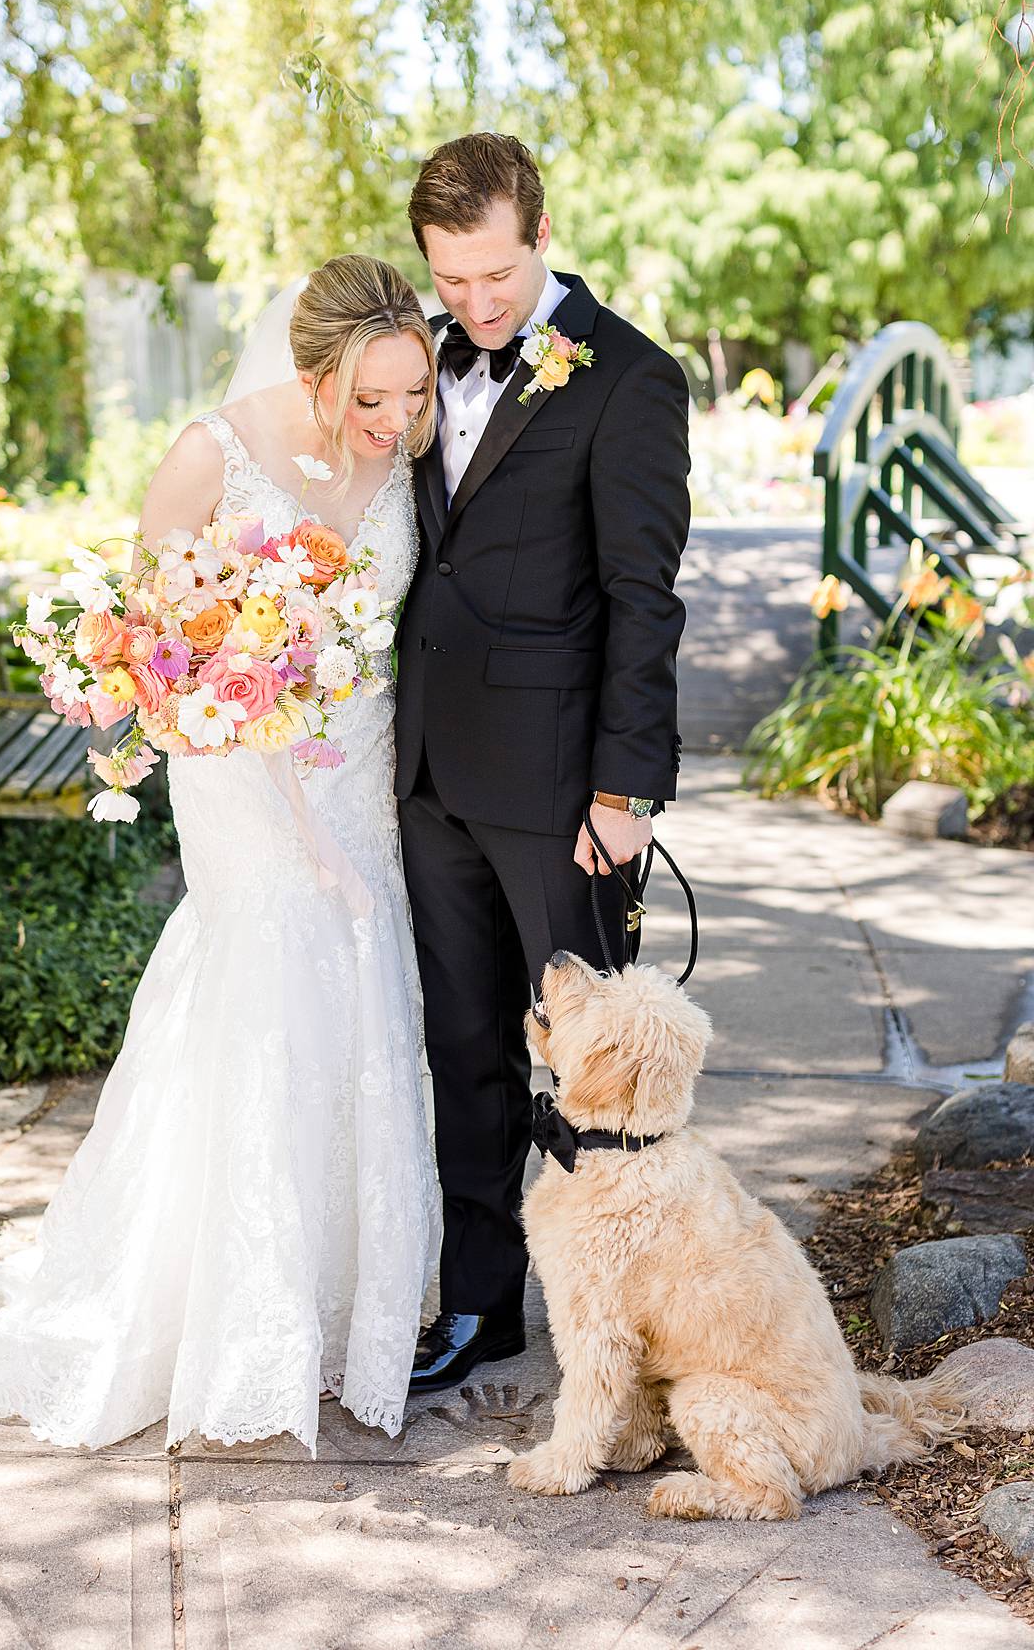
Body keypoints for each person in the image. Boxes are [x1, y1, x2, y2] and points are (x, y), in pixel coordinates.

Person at [0, 255, 441, 1454]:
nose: (393, 423)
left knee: (365, 984)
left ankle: (349, 1299)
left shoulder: (400, 450)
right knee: (269, 976)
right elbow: (162, 656)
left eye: (411, 397)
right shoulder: (212, 454)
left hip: (360, 764)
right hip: (244, 770)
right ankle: (240, 1313)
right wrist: (258, 727)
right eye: (370, 399)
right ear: (312, 371)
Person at [395, 133, 692, 1393]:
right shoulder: (413, 359)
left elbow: (645, 596)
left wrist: (625, 792)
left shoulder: (631, 379)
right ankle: (479, 1305)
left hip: (566, 793)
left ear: (543, 233)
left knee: (593, 1074)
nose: (473, 304)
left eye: (496, 277)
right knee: (460, 1042)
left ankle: (624, 1323)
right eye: (452, 280)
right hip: (424, 776)